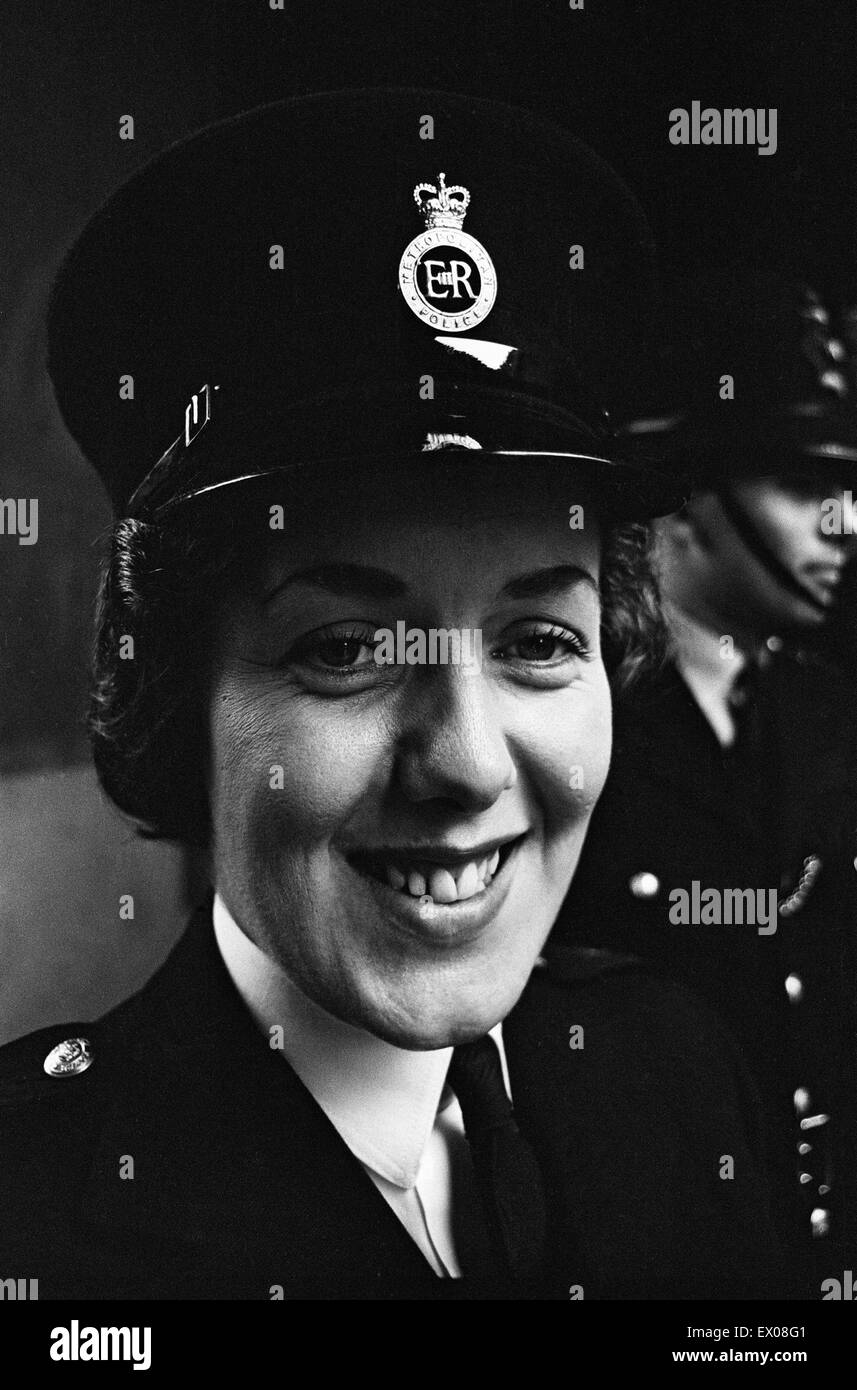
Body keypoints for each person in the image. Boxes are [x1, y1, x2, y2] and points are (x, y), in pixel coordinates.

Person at [0, 92, 783, 1300]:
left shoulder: (674, 1073)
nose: (466, 763)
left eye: (537, 640)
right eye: (345, 648)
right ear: (171, 691)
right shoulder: (33, 1216)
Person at [552, 269, 857, 1292]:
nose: (844, 525)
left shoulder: (825, 713)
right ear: (685, 499)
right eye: (801, 489)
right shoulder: (576, 719)